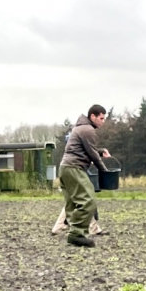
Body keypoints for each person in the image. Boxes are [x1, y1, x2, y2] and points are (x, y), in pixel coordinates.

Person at [58, 105, 110, 248]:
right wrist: (104, 171)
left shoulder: (79, 128)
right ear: (92, 116)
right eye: (101, 118)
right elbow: (92, 154)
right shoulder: (88, 130)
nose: (103, 121)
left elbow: (85, 149)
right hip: (74, 168)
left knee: (72, 202)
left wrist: (100, 151)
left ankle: (74, 232)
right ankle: (76, 234)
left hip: (65, 168)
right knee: (88, 200)